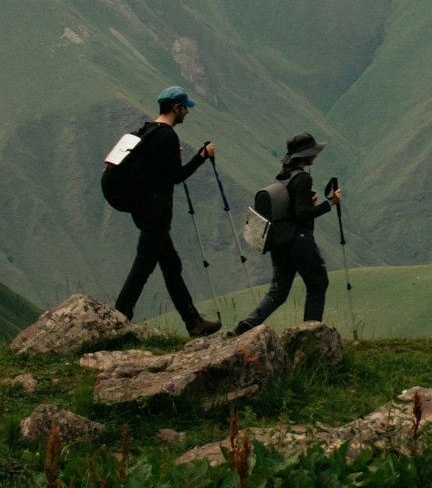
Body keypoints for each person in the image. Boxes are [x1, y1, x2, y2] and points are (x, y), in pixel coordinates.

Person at [113, 86, 221, 337]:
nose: (187, 113)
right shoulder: (168, 136)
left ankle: (193, 322)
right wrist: (202, 156)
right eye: (185, 108)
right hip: (156, 213)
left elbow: (155, 170)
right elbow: (176, 177)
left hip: (141, 209)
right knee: (143, 267)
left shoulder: (147, 131)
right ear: (176, 108)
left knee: (171, 265)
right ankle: (119, 316)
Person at [233, 132, 342, 334]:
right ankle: (310, 334)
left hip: (278, 241)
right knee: (318, 284)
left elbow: (291, 210)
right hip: (298, 240)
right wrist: (329, 204)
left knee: (278, 291)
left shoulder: (282, 176)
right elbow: (301, 215)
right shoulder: (302, 178)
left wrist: (308, 205)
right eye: (313, 153)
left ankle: (246, 325)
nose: (315, 156)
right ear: (306, 155)